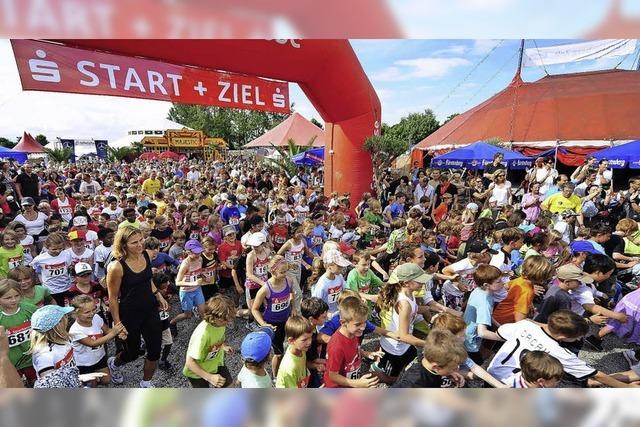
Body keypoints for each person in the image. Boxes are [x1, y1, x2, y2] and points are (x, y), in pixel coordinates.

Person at [487, 310, 635, 387]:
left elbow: (500, 333)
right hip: (516, 384)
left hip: (492, 372)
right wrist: (626, 387)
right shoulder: (560, 353)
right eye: (576, 338)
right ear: (563, 338)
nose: (577, 340)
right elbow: (597, 374)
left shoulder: (524, 325)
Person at [106, 226, 168, 388]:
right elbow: (112, 298)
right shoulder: (116, 267)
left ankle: (145, 382)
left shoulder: (146, 255)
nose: (140, 245)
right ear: (123, 245)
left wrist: (158, 295)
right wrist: (118, 324)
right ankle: (115, 364)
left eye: (141, 240)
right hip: (129, 314)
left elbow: (147, 280)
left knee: (155, 350)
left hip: (150, 309)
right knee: (132, 353)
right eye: (134, 242)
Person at [323, 296, 382, 388]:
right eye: (358, 324)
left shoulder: (353, 333)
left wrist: (365, 353)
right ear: (343, 323)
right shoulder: (337, 346)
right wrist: (358, 384)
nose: (363, 328)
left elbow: (353, 349)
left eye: (364, 322)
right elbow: (333, 375)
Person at [68, 295, 124, 386]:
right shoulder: (75, 331)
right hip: (84, 364)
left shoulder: (96, 318)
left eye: (93, 309)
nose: (92, 314)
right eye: (87, 312)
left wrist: (119, 332)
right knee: (91, 385)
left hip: (99, 357)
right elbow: (92, 343)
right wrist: (113, 333)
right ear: (76, 313)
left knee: (106, 380)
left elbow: (107, 331)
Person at [251, 255, 292, 377]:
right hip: (273, 324)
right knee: (278, 353)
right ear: (272, 271)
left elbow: (291, 294)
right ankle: (275, 376)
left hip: (286, 319)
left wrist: (294, 308)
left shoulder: (288, 281)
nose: (285, 274)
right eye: (282, 272)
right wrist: (264, 324)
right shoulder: (265, 289)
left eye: (286, 271)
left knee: (289, 346)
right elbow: (254, 309)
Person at [182, 294, 235, 388]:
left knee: (229, 386)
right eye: (225, 319)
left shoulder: (220, 325)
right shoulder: (202, 334)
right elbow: (189, 362)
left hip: (216, 363)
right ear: (213, 317)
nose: (228, 321)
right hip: (197, 373)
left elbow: (217, 340)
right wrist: (210, 377)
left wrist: (223, 346)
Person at [392, 328, 468, 388]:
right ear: (436, 367)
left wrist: (449, 373)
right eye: (453, 368)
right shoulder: (413, 382)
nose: (457, 369)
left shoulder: (426, 356)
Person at [493, 255, 555, 325]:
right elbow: (520, 320)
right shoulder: (526, 292)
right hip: (504, 323)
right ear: (541, 276)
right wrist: (543, 326)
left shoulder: (521, 279)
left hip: (497, 316)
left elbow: (505, 287)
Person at [463, 265, 505, 365]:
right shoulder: (484, 302)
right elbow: (482, 332)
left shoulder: (479, 290)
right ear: (486, 285)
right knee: (478, 365)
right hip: (471, 339)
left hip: (467, 332)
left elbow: (486, 315)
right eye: (498, 282)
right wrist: (503, 337)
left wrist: (498, 326)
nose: (502, 283)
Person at [0, 278, 38, 385]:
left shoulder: (30, 309)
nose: (13, 300)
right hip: (11, 362)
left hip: (32, 358)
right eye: (8, 298)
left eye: (16, 296)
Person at [29, 304, 76, 379]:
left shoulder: (63, 339)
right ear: (58, 324)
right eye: (65, 317)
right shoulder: (44, 355)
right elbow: (51, 383)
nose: (67, 319)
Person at [275, 315, 313, 388]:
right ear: (291, 341)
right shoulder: (289, 368)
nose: (309, 342)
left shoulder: (301, 349)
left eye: (310, 337)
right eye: (304, 340)